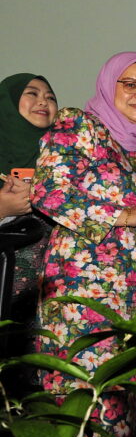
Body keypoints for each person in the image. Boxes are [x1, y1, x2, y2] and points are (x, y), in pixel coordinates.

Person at [32, 52, 136, 437]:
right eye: (129, 84)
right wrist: (124, 215)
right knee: (89, 418)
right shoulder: (79, 126)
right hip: (85, 298)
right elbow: (49, 191)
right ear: (108, 85)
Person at [0, 73, 58, 343]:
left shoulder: (67, 163)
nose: (43, 101)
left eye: (50, 97)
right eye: (32, 93)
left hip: (53, 301)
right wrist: (3, 208)